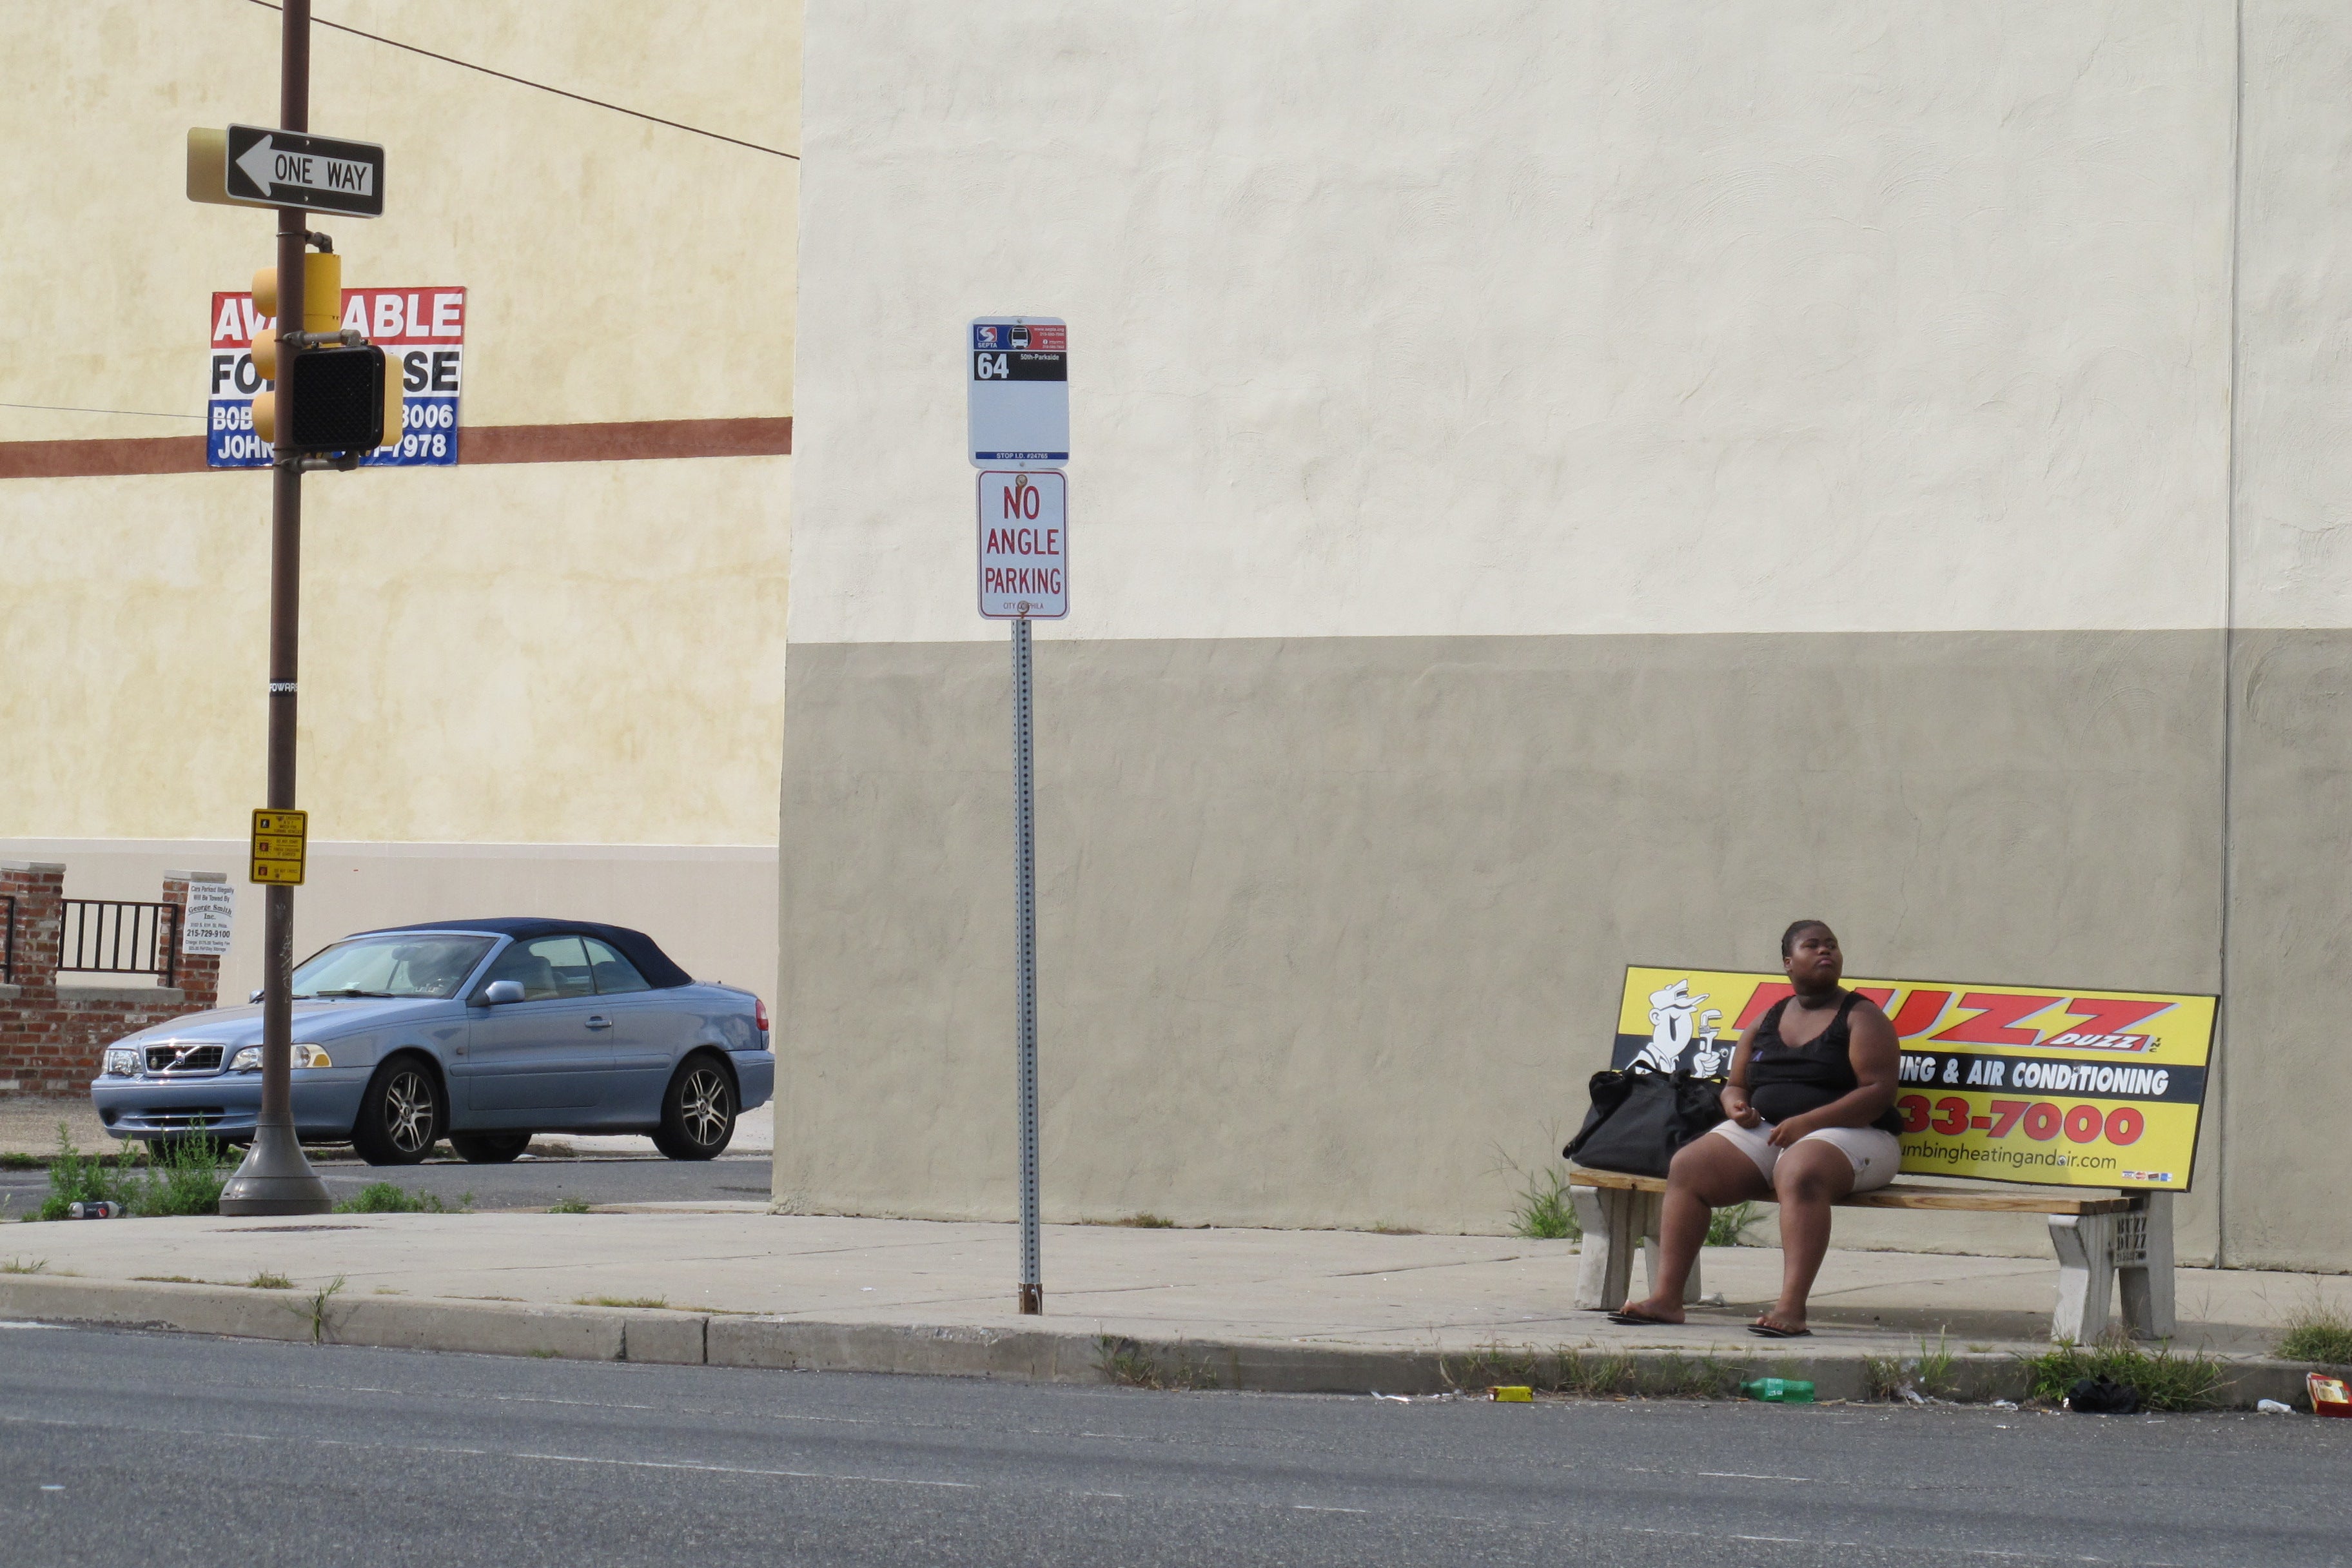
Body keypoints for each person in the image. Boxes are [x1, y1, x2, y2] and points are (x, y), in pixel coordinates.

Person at [1607, 919, 1902, 1337]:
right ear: (1788, 962)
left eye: (1832, 946)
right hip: (1775, 1130)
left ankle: (1791, 1309)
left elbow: (1877, 1093)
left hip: (1858, 1134)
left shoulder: (1862, 1016)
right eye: (1813, 946)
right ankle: (1667, 1300)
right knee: (1689, 1165)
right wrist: (1735, 1105)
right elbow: (1736, 1084)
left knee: (1799, 1171)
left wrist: (1810, 1122)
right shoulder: (1767, 1019)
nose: (1825, 953)